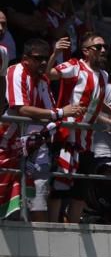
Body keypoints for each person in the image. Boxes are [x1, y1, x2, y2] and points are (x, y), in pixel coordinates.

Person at [49, 33, 111, 222]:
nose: (103, 51)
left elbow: (95, 101)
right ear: (86, 51)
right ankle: (51, 228)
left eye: (104, 47)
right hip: (66, 137)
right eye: (98, 47)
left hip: (87, 141)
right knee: (59, 187)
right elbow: (47, 75)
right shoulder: (74, 66)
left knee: (80, 192)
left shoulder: (103, 75)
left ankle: (73, 229)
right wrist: (55, 53)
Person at [0, 38, 65, 221]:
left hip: (35, 145)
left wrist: (54, 115)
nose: (43, 62)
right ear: (25, 58)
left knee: (39, 196)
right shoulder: (16, 72)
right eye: (38, 58)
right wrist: (58, 113)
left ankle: (40, 242)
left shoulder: (42, 79)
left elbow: (48, 112)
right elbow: (21, 108)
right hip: (6, 144)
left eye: (46, 58)